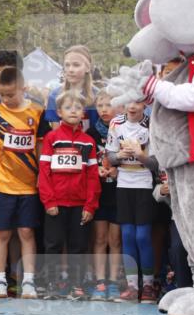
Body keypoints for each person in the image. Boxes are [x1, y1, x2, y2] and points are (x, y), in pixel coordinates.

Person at [0, 66, 48, 299]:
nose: (6, 99)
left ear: (24, 89)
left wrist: (42, 172)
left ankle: (28, 281)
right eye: (2, 94)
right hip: (2, 182)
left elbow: (40, 142)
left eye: (11, 94)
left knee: (27, 231)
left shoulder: (38, 110)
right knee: (2, 233)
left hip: (28, 183)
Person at [38, 91, 101, 298]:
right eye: (68, 107)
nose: (73, 111)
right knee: (53, 245)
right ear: (58, 112)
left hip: (80, 205)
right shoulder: (51, 138)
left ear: (84, 113)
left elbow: (93, 175)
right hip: (55, 203)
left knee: (79, 247)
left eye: (77, 107)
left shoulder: (88, 141)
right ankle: (52, 285)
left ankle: (76, 286)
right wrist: (48, 201)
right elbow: (44, 172)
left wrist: (90, 205)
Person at [106, 99, 158, 303]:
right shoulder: (116, 123)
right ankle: (131, 286)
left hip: (144, 183)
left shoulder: (151, 123)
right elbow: (109, 157)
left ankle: (148, 285)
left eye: (137, 101)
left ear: (145, 103)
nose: (133, 106)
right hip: (123, 183)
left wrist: (140, 155)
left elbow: (155, 163)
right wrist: (119, 155)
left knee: (143, 236)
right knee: (127, 235)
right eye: (129, 101)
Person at [87, 89, 122, 301]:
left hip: (118, 189)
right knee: (99, 238)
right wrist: (96, 170)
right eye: (100, 106)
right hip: (99, 190)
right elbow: (88, 161)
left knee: (115, 239)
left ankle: (114, 281)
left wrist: (120, 169)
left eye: (108, 105)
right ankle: (100, 281)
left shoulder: (123, 128)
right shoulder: (92, 133)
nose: (104, 110)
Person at [45, 45, 98, 131]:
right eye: (67, 65)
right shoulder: (54, 96)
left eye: (76, 65)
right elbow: (56, 133)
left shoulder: (97, 96)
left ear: (88, 68)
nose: (70, 69)